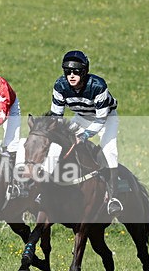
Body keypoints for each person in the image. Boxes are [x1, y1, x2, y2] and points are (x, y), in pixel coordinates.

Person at [50, 50, 123, 216]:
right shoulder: (59, 86)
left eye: (77, 72)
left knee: (108, 151)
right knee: (55, 146)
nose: (72, 76)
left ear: (84, 72)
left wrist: (84, 136)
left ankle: (114, 198)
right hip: (81, 117)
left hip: (105, 119)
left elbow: (100, 119)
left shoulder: (98, 86)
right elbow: (56, 117)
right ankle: (44, 189)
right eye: (68, 72)